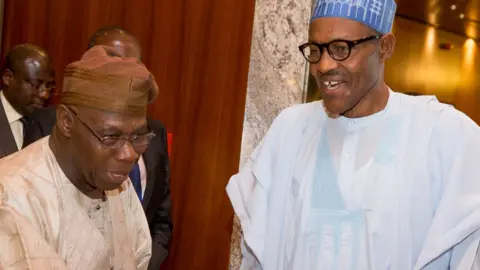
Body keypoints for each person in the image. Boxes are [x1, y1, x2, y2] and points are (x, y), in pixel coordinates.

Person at [226, 0, 480, 269]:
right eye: (316, 49)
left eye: (340, 49)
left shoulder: (442, 135)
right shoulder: (291, 130)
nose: (323, 66)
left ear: (385, 47)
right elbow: (258, 252)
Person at [24, 26, 173, 269]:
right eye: (111, 136)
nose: (129, 155)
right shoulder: (13, 198)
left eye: (138, 136)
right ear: (66, 122)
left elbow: (144, 246)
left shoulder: (121, 186)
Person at [0, 44, 55, 158]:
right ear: (8, 78)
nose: (45, 94)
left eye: (49, 86)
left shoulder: (52, 124)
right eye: (35, 85)